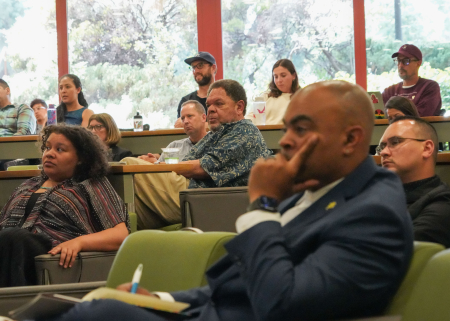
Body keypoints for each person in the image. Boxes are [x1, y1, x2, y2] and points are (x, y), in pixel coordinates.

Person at [46, 80, 413, 321]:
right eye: (286, 129)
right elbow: (233, 288)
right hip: (200, 311)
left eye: (300, 130)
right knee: (88, 306)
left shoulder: (373, 211)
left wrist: (264, 207)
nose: (284, 142)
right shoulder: (316, 192)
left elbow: (282, 304)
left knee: (100, 314)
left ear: (351, 140)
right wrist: (155, 296)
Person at [0, 124, 129, 287]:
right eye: (47, 148)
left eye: (60, 149)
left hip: (50, 250)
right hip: (9, 245)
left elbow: (120, 234)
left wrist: (79, 242)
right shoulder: (28, 185)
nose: (49, 154)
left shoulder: (90, 185)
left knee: (13, 238)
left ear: (81, 158)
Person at [122, 101, 208, 229]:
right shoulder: (174, 146)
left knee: (128, 163)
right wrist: (153, 163)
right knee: (128, 212)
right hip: (165, 195)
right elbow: (159, 174)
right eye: (182, 118)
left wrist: (156, 164)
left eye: (190, 116)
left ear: (203, 118)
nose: (185, 121)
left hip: (191, 190)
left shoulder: (214, 143)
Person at [378, 115, 450, 248]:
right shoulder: (377, 197)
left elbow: (389, 255)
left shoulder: (443, 205)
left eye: (395, 142)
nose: (383, 152)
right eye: (382, 146)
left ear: (427, 148)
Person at [382, 44, 442, 116]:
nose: (400, 65)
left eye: (406, 61)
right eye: (398, 61)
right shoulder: (389, 91)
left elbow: (421, 117)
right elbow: (380, 116)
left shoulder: (429, 87)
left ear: (418, 63)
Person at [246, 58, 300, 125]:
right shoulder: (266, 96)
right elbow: (250, 118)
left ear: (293, 76)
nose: (279, 80)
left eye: (283, 76)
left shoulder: (301, 98)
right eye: (276, 77)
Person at [174, 52, 217, 128]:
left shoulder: (224, 98)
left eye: (200, 65)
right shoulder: (186, 101)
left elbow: (227, 126)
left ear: (213, 68)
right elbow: (179, 127)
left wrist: (193, 125)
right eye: (193, 67)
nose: (196, 71)